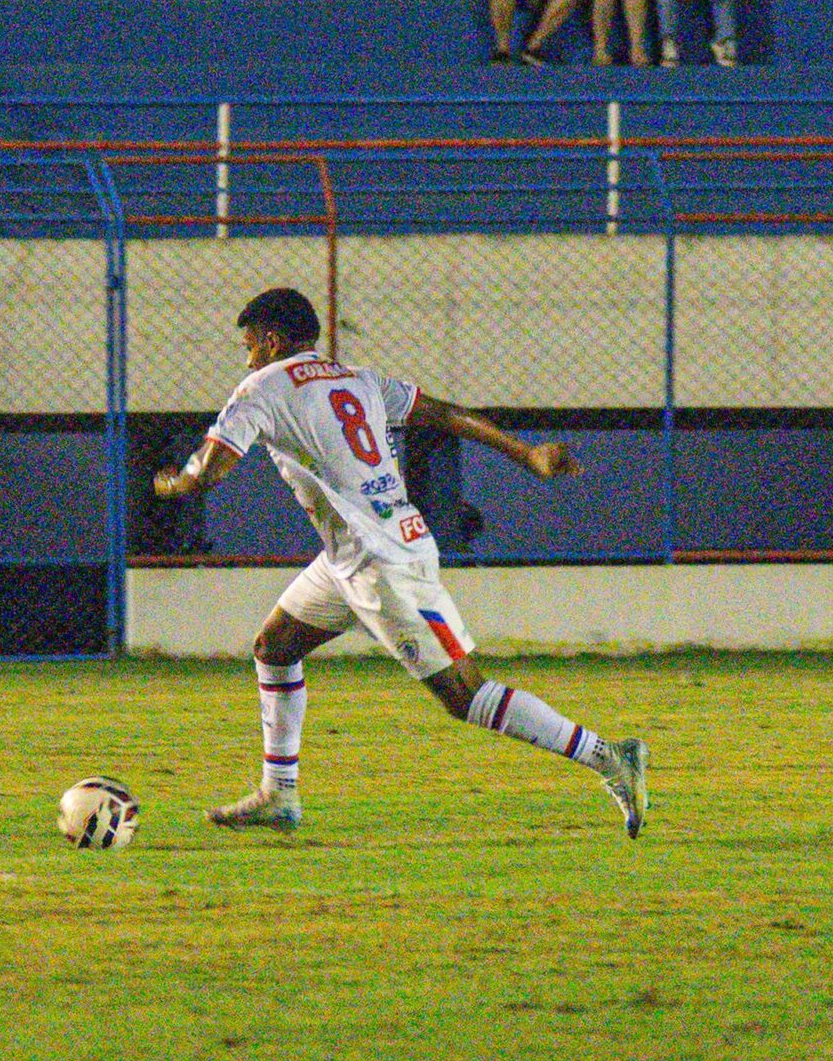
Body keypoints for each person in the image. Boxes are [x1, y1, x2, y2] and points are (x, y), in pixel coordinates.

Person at [151, 287, 649, 836]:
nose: (246, 358)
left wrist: (177, 483)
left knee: (467, 695)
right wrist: (526, 452)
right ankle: (279, 793)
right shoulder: (356, 379)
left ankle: (609, 756)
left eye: (249, 345)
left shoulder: (261, 389)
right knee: (275, 645)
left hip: (384, 565)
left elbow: (211, 468)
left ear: (271, 340)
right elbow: (442, 414)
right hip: (352, 554)